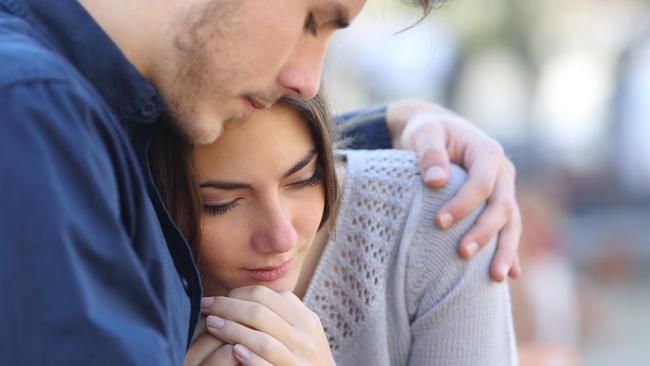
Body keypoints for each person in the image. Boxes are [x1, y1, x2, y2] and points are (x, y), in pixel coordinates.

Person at [0, 0, 520, 364]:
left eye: (306, 175)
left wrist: (396, 122)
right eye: (312, 20)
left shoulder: (79, 112)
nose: (308, 80)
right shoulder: (33, 118)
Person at [150, 94, 516, 365]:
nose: (282, 238)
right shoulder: (123, 264)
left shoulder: (437, 218)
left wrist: (399, 116)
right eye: (221, 205)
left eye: (303, 180)